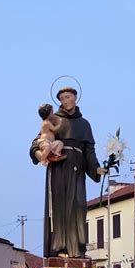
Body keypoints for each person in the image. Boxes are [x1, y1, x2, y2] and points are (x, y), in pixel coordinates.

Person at [29, 86, 106, 258]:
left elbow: (89, 151)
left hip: (77, 169)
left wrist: (96, 168)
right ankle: (60, 247)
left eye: (68, 96)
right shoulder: (54, 119)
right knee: (60, 206)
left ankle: (78, 248)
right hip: (58, 167)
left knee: (78, 206)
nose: (65, 100)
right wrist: (39, 152)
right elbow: (38, 140)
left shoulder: (85, 124)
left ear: (75, 97)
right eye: (62, 98)